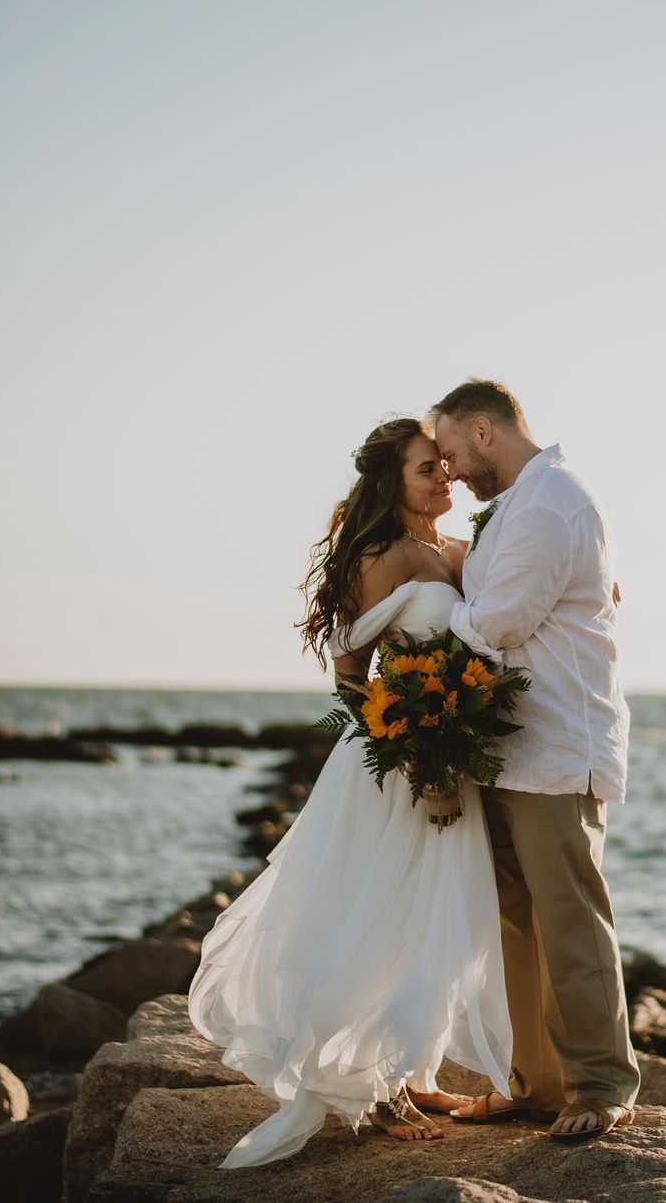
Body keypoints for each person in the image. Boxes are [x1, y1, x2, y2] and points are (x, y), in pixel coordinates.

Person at [187, 417, 512, 1169]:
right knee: (381, 910)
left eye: (443, 466)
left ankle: (412, 1069)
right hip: (395, 765)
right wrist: (414, 753)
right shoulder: (380, 556)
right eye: (426, 468)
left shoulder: (454, 551)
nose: (443, 479)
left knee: (437, 914)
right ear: (390, 481)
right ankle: (371, 1086)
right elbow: (351, 675)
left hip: (448, 755)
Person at [430, 378, 641, 1142]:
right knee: (518, 920)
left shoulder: (553, 501)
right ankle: (537, 1085)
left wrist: (424, 614)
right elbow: (492, 594)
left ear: (484, 431)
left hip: (559, 744)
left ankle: (602, 1083)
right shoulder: (518, 506)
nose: (449, 469)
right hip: (511, 748)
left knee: (570, 918)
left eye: (452, 451)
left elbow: (501, 621)